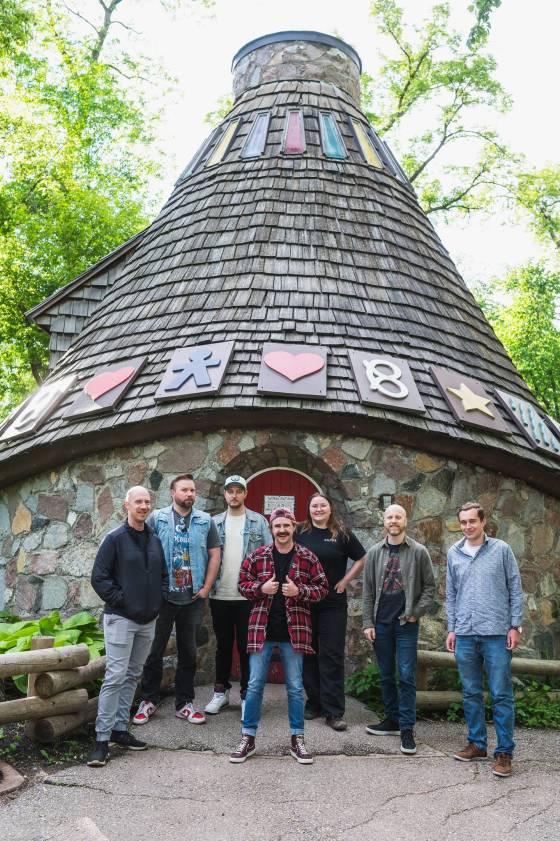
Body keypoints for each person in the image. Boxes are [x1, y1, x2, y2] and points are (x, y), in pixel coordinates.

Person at [229, 508, 328, 764]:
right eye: (277, 526)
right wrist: (261, 588)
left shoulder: (307, 557)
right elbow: (242, 584)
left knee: (295, 688)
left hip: (294, 632)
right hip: (261, 631)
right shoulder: (258, 555)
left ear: (293, 527)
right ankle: (248, 738)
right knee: (254, 686)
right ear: (271, 529)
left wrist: (300, 591)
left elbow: (322, 588)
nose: (282, 530)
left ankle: (297, 739)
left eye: (286, 525)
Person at [87, 486, 168, 767]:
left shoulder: (154, 539)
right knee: (115, 675)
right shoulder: (115, 539)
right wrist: (123, 601)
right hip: (121, 618)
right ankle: (101, 739)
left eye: (147, 502)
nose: (143, 506)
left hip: (148, 620)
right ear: (127, 505)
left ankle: (120, 730)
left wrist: (157, 601)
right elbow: (99, 578)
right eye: (138, 502)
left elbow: (163, 575)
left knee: (133, 674)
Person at [133, 474, 221, 725]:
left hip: (192, 597)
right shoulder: (157, 518)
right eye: (184, 490)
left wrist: (206, 588)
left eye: (193, 490)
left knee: (189, 653)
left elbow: (215, 554)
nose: (190, 494)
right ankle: (148, 700)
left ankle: (184, 703)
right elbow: (141, 549)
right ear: (173, 493)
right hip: (163, 597)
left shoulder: (205, 521)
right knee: (154, 651)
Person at [446, 501, 524, 778]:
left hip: (496, 634)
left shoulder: (501, 549)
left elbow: (515, 588)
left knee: (501, 694)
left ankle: (504, 753)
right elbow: (452, 593)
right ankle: (477, 744)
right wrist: (452, 628)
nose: (467, 526)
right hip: (465, 633)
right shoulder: (454, 553)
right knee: (470, 693)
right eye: (463, 522)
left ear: (483, 522)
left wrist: (515, 625)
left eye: (472, 521)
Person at [362, 503, 435, 756]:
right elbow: (368, 591)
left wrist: (416, 612)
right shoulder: (373, 552)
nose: (393, 520)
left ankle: (406, 728)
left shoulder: (418, 551)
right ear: (384, 521)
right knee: (385, 674)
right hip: (381, 623)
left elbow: (430, 588)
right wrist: (367, 623)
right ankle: (392, 720)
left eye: (398, 517)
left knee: (405, 675)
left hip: (406, 624)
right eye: (390, 516)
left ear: (405, 520)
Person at [296, 492, 366, 731]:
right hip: (304, 601)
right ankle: (314, 702)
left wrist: (345, 581)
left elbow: (361, 558)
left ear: (330, 509)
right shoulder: (300, 532)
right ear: (309, 509)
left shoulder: (342, 534)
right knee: (308, 653)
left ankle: (334, 711)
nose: (318, 509)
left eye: (322, 505)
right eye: (314, 506)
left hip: (333, 603)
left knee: (332, 655)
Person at [205, 475, 271, 718]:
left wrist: (264, 587)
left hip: (248, 597)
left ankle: (246, 696)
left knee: (246, 648)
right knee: (223, 646)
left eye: (238, 491)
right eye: (229, 491)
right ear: (224, 494)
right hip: (219, 595)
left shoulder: (258, 522)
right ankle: (220, 693)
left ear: (245, 493)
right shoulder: (212, 523)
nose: (234, 495)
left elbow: (269, 556)